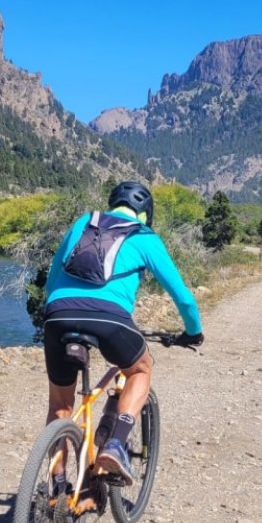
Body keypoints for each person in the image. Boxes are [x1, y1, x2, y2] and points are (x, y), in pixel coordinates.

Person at [42, 181, 204, 486]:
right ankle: (116, 444)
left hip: (58, 316)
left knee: (61, 406)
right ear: (145, 213)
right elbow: (183, 297)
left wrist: (57, 312)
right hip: (111, 321)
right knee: (140, 369)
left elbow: (52, 277)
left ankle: (58, 483)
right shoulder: (144, 237)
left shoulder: (84, 221)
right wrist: (193, 332)